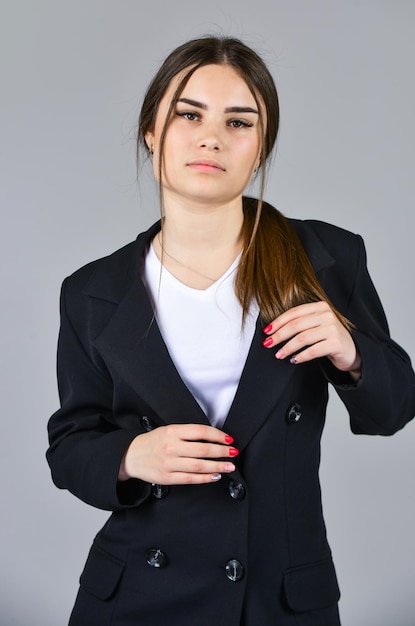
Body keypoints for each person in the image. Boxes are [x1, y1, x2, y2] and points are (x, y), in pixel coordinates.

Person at [46, 36, 415, 626]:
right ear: (151, 131)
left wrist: (353, 352)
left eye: (239, 122)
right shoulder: (93, 291)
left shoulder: (325, 259)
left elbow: (395, 407)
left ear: (260, 147)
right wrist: (130, 455)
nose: (211, 137)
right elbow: (69, 448)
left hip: (279, 597)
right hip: (139, 593)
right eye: (188, 114)